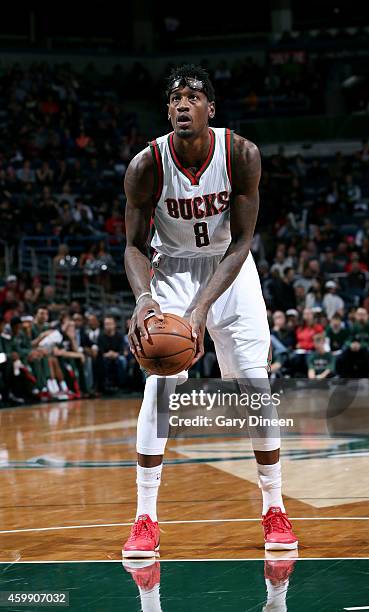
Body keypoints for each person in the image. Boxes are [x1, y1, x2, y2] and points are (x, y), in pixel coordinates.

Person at [122, 64, 297, 558]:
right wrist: (145, 299)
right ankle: (145, 519)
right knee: (159, 388)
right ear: (167, 110)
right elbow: (133, 247)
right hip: (172, 271)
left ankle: (273, 508)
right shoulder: (146, 165)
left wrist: (201, 310)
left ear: (210, 109)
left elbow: (243, 240)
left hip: (231, 269)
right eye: (174, 98)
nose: (182, 105)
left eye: (192, 97)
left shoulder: (240, 154)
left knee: (255, 387)